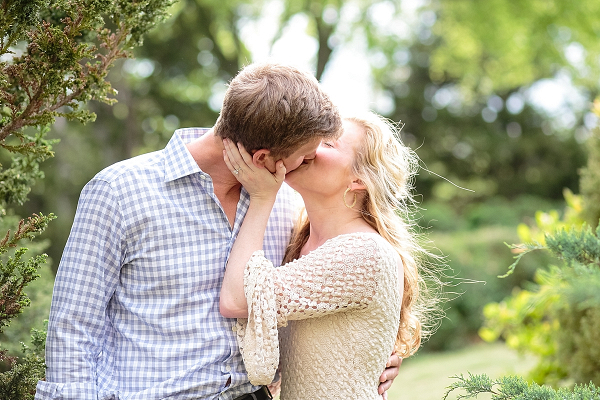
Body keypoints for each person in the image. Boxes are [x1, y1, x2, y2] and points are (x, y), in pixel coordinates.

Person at [35, 62, 401, 400]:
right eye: (304, 156)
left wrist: (372, 356)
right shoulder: (119, 192)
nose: (307, 162)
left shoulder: (284, 204)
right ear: (262, 159)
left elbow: (326, 301)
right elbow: (72, 328)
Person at [219, 111, 436, 399]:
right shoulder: (300, 243)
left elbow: (237, 301)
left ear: (359, 179)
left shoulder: (364, 253)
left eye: (329, 144)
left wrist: (261, 198)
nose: (310, 146)